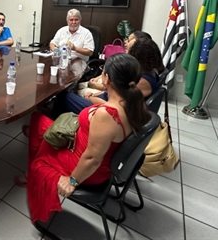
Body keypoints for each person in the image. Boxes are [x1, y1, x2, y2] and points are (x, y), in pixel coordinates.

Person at [25, 53, 150, 223]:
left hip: (86, 166)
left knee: (38, 153)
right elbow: (113, 113)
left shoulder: (106, 116)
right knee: (38, 120)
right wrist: (95, 101)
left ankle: (35, 171)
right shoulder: (133, 103)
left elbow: (92, 159)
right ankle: (39, 154)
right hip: (90, 149)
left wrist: (72, 181)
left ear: (107, 79)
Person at [59, 36, 165, 116]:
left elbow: (114, 107)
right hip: (103, 102)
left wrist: (91, 98)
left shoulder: (143, 81)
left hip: (103, 111)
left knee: (63, 96)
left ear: (138, 56)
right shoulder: (148, 71)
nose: (125, 51)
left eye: (128, 50)